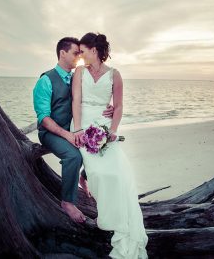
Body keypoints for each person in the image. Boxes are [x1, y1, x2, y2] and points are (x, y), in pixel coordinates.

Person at [71, 33, 148, 258]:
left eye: (83, 51)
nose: (80, 56)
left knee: (117, 172)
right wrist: (77, 129)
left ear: (94, 50)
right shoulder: (79, 72)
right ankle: (100, 206)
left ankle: (121, 223)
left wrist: (113, 130)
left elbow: (119, 105)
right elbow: (76, 100)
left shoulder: (115, 74)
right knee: (97, 171)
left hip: (104, 127)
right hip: (82, 123)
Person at [33, 37, 113, 223]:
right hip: (51, 133)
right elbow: (43, 118)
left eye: (80, 52)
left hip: (75, 130)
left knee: (101, 146)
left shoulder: (80, 75)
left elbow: (90, 97)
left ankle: (83, 178)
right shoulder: (46, 80)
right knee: (74, 156)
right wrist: (68, 135)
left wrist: (108, 108)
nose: (80, 56)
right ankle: (67, 202)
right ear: (63, 53)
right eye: (75, 52)